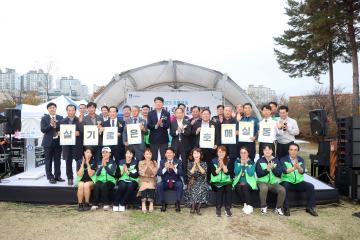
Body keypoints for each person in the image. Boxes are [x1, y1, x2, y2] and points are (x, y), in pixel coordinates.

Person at [280, 143, 318, 217]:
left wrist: (298, 167)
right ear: (288, 151)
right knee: (285, 186)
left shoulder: (301, 159)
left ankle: (310, 207)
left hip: (298, 182)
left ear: (297, 151)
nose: (293, 152)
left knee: (310, 186)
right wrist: (294, 167)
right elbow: (284, 171)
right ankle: (286, 208)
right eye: (291, 150)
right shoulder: (283, 159)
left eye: (295, 150)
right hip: (287, 181)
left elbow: (302, 171)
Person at [256, 144, 285, 216]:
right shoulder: (259, 161)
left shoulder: (276, 160)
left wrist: (273, 168)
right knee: (264, 188)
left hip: (273, 183)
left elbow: (279, 174)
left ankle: (278, 208)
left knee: (282, 190)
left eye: (269, 149)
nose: (267, 151)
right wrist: (267, 170)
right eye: (265, 150)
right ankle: (263, 207)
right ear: (263, 151)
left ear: (272, 151)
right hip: (262, 182)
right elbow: (259, 174)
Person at [193, 109, 220, 182]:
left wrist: (216, 145)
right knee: (199, 164)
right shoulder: (197, 124)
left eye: (207, 114)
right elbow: (192, 135)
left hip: (210, 149)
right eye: (204, 114)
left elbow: (218, 136)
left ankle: (208, 181)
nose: (205, 115)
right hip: (199, 149)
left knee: (209, 165)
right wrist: (197, 131)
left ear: (210, 115)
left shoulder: (214, 124)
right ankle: (199, 182)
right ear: (201, 115)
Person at [40, 102, 64, 184]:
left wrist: (59, 129)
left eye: (53, 107)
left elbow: (63, 128)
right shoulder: (44, 118)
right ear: (48, 109)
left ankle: (57, 176)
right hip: (48, 143)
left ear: (56, 108)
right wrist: (50, 125)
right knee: (48, 160)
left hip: (58, 141)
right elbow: (43, 129)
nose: (52, 109)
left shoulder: (60, 118)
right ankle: (50, 177)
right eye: (50, 108)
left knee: (58, 160)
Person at [60, 104, 82, 186]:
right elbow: (61, 133)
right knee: (68, 162)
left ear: (75, 111)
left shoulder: (79, 120)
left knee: (79, 162)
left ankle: (79, 178)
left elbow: (83, 132)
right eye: (69, 110)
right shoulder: (62, 121)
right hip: (67, 145)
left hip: (77, 144)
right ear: (67, 111)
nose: (71, 112)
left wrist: (79, 132)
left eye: (73, 110)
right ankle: (70, 178)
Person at [156, 147, 183, 212]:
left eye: (170, 153)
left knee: (180, 184)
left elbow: (181, 173)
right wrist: (165, 168)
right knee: (159, 185)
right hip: (165, 182)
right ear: (165, 154)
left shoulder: (178, 161)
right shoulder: (162, 161)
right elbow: (159, 173)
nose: (169, 154)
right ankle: (163, 203)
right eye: (167, 153)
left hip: (175, 182)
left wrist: (174, 168)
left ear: (174, 154)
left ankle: (177, 203)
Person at [233, 147, 257, 215]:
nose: (243, 154)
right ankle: (245, 204)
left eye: (245, 153)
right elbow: (236, 172)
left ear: (248, 153)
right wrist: (241, 164)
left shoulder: (252, 163)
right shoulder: (237, 161)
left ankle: (250, 205)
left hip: (249, 182)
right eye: (241, 153)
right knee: (238, 186)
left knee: (245, 186)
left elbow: (251, 173)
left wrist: (246, 164)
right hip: (239, 181)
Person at [91, 147, 117, 211]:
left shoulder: (113, 162)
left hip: (110, 180)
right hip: (100, 180)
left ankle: (106, 203)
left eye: (106, 152)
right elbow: (97, 174)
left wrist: (105, 166)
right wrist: (101, 166)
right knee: (96, 185)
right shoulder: (99, 162)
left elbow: (111, 173)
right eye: (103, 152)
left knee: (104, 185)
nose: (105, 154)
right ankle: (95, 204)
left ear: (110, 154)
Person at [184, 148, 209, 215]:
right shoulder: (190, 163)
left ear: (200, 154)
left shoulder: (204, 163)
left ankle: (198, 207)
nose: (196, 155)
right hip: (193, 181)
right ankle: (193, 206)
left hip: (202, 181)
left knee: (202, 188)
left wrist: (198, 164)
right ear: (192, 155)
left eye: (198, 153)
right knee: (194, 188)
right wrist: (195, 164)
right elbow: (189, 174)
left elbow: (204, 173)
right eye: (194, 153)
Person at [170, 107, 191, 182]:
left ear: (183, 113)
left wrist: (182, 130)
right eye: (177, 113)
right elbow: (171, 134)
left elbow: (188, 133)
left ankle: (185, 180)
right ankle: (174, 179)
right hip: (175, 146)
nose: (179, 114)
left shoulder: (187, 122)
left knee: (185, 163)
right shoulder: (172, 122)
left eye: (180, 113)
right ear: (175, 114)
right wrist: (177, 131)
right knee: (174, 162)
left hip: (184, 146)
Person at [210, 145, 232, 217]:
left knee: (229, 188)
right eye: (219, 152)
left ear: (225, 153)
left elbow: (227, 173)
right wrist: (219, 167)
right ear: (217, 153)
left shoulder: (229, 160)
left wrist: (223, 164)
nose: (221, 153)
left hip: (226, 181)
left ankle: (227, 208)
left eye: (223, 152)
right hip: (216, 181)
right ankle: (218, 207)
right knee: (220, 187)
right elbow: (214, 173)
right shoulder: (213, 161)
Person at [147, 96, 171, 161]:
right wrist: (156, 125)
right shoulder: (150, 113)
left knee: (164, 157)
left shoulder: (166, 113)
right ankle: (155, 171)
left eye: (160, 102)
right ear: (154, 103)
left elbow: (168, 125)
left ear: (162, 104)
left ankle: (163, 170)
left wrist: (162, 124)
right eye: (156, 102)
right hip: (153, 139)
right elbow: (149, 125)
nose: (158, 103)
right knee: (154, 158)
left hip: (163, 139)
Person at [220, 106, 238, 178]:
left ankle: (231, 177)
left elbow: (238, 132)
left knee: (232, 160)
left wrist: (237, 132)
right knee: (223, 159)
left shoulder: (235, 121)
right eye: (226, 110)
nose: (227, 112)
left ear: (231, 112)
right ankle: (223, 177)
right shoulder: (220, 121)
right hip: (223, 145)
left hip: (232, 145)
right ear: (223, 112)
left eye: (229, 111)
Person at [138, 148, 158, 213]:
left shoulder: (154, 162)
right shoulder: (140, 162)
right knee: (144, 184)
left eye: (150, 154)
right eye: (147, 154)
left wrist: (149, 168)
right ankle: (143, 203)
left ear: (152, 155)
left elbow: (154, 173)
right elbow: (141, 173)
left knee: (151, 184)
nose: (148, 155)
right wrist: (147, 166)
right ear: (144, 155)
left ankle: (151, 204)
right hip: (143, 179)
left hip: (152, 179)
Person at [76, 147, 96, 211]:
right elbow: (79, 174)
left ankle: (87, 203)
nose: (88, 154)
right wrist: (82, 165)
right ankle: (80, 204)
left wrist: (87, 164)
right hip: (81, 180)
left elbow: (91, 174)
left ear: (92, 154)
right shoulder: (79, 161)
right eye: (87, 152)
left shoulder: (94, 162)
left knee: (86, 184)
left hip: (91, 181)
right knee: (81, 185)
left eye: (90, 153)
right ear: (84, 153)